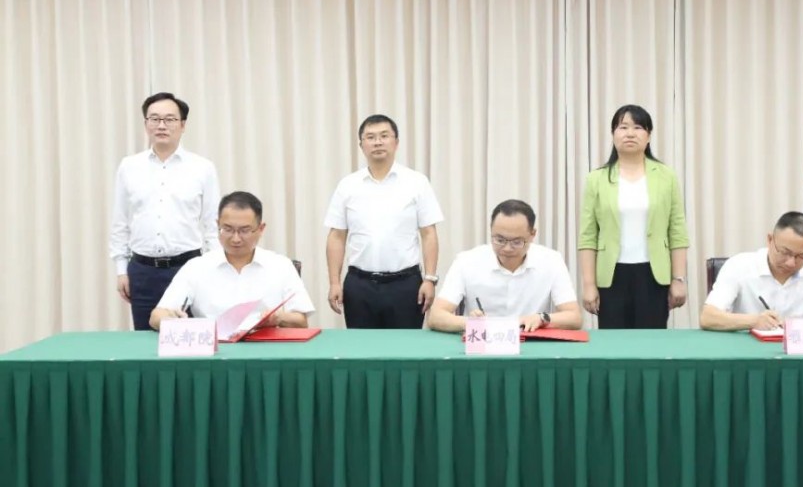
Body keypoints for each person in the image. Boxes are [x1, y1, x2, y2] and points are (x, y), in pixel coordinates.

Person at [109, 92, 221, 331]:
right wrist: (121, 270)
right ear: (146, 124)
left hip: (188, 268)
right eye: (155, 119)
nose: (161, 125)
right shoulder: (129, 166)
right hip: (142, 270)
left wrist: (213, 271)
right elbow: (120, 222)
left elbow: (212, 225)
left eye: (170, 119)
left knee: (189, 338)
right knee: (144, 340)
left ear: (183, 125)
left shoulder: (202, 168)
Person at [324, 114, 444, 329]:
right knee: (362, 347)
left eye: (384, 136)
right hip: (359, 286)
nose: (377, 142)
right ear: (361, 145)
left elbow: (429, 234)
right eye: (370, 137)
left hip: (406, 285)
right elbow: (337, 236)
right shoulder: (348, 185)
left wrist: (430, 279)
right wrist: (334, 282)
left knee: (405, 348)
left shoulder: (417, 182)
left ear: (396, 142)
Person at [578, 104, 690, 329]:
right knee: (614, 343)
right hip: (611, 276)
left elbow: (677, 231)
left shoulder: (666, 176)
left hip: (654, 274)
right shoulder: (596, 179)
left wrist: (678, 279)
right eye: (623, 127)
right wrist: (589, 284)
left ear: (649, 136)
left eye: (638, 127)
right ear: (613, 134)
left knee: (651, 341)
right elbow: (588, 236)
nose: (630, 133)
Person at [150, 191, 314, 330]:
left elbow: (301, 321)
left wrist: (278, 318)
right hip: (214, 349)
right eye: (227, 229)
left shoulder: (280, 265)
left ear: (261, 229)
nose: (235, 238)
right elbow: (157, 316)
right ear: (218, 225)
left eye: (244, 230)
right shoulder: (196, 267)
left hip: (265, 348)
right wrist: (173, 321)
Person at [428, 199, 582, 333]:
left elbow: (574, 317)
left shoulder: (551, 260)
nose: (507, 249)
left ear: (532, 235)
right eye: (500, 240)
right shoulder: (467, 261)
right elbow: (436, 316)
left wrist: (542, 318)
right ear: (491, 231)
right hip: (484, 343)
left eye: (517, 242)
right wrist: (471, 322)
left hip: (532, 342)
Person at [699, 211, 803, 331]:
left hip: (797, 353)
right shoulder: (739, 265)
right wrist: (753, 321)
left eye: (801, 256)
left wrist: (801, 324)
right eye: (785, 252)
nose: (791, 263)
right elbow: (708, 317)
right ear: (770, 240)